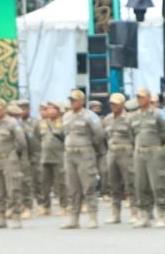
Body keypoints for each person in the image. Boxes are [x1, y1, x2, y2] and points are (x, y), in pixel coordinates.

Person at [61, 88, 106, 229]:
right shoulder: (66, 116)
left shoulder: (90, 116)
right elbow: (65, 134)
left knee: (89, 185)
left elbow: (99, 134)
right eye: (71, 100)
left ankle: (92, 216)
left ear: (81, 101)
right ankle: (74, 218)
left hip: (85, 153)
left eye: (74, 100)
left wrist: (93, 148)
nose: (72, 102)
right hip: (69, 154)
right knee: (73, 187)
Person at [130, 87, 165, 226]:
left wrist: (158, 145)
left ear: (149, 98)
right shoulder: (134, 115)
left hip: (154, 151)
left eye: (142, 97)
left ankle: (161, 213)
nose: (140, 99)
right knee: (140, 184)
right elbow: (132, 133)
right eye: (138, 97)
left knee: (158, 183)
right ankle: (144, 214)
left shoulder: (158, 114)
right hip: (139, 152)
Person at [0, 100, 27, 229]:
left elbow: (21, 142)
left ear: (4, 109)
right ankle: (0, 217)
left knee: (13, 188)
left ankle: (16, 216)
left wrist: (14, 155)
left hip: (8, 158)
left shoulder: (12, 123)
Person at [101, 92, 137, 225]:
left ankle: (134, 212)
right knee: (113, 184)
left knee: (130, 183)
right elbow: (105, 137)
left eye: (116, 104)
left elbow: (134, 136)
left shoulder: (129, 118)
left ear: (122, 104)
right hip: (112, 152)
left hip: (126, 152)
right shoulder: (108, 119)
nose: (113, 106)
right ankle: (115, 214)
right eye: (111, 104)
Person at [36, 101, 68, 216]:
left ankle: (64, 205)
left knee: (61, 183)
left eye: (53, 108)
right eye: (48, 108)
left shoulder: (64, 122)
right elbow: (36, 139)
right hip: (45, 157)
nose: (50, 110)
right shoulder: (41, 123)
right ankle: (45, 206)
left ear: (58, 110)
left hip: (59, 157)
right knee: (44, 183)